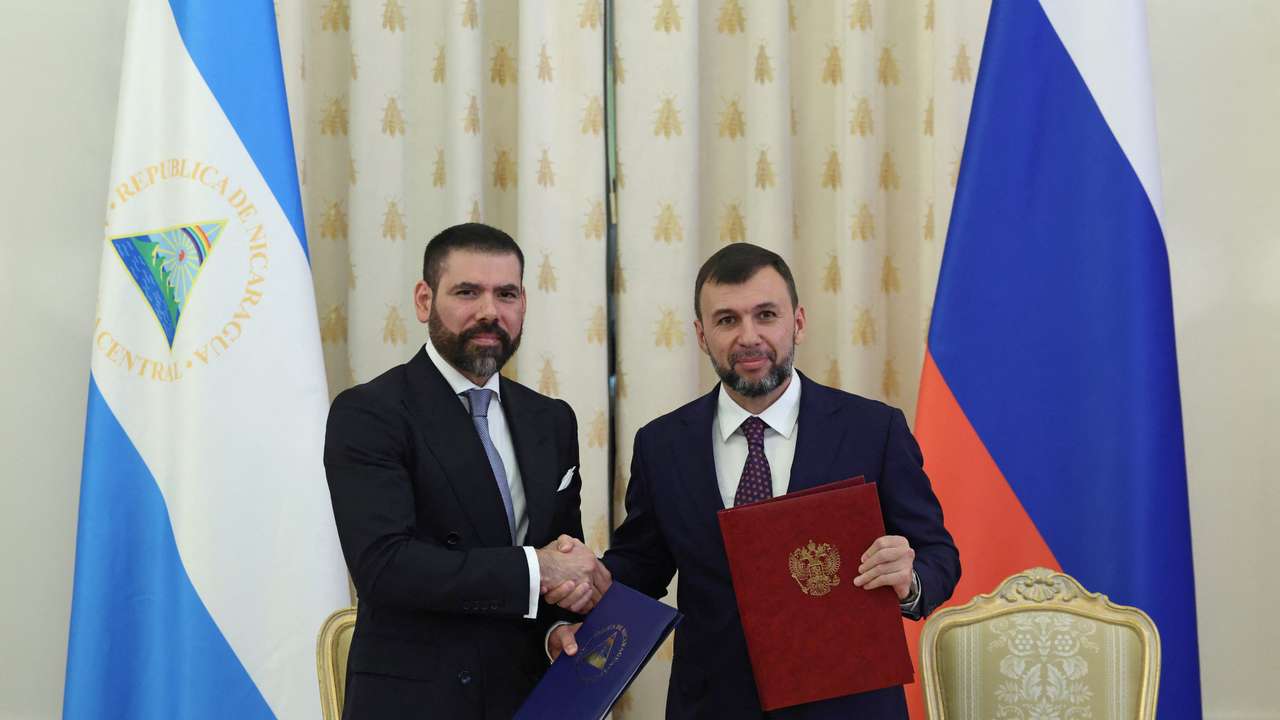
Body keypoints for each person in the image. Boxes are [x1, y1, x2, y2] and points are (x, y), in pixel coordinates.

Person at [549, 243, 960, 718]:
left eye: (766, 315)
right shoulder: (663, 444)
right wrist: (586, 584)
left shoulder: (874, 429)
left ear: (797, 322)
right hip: (713, 706)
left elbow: (939, 555)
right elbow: (642, 565)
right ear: (702, 335)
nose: (749, 337)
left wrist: (910, 579)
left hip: (849, 705)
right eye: (727, 320)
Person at [325, 222, 610, 719]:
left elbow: (559, 554)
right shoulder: (370, 411)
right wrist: (537, 568)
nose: (489, 312)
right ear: (424, 301)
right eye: (467, 292)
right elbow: (385, 566)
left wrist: (557, 628)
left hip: (530, 700)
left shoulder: (550, 419)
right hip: (418, 704)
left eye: (506, 294)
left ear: (523, 304)